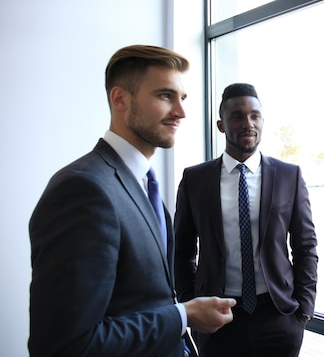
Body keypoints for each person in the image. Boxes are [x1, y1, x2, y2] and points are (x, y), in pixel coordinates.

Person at [29, 45, 236, 357]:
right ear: (120, 99)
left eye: (182, 98)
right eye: (165, 96)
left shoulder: (142, 182)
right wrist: (184, 315)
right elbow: (65, 346)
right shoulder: (83, 189)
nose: (181, 112)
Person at [174, 83, 318, 357]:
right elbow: (182, 252)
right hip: (217, 318)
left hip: (278, 316)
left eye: (255, 116)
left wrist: (303, 312)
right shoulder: (195, 180)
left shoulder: (289, 176)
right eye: (237, 116)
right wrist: (190, 306)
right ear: (221, 124)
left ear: (263, 121)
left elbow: (306, 247)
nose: (247, 123)